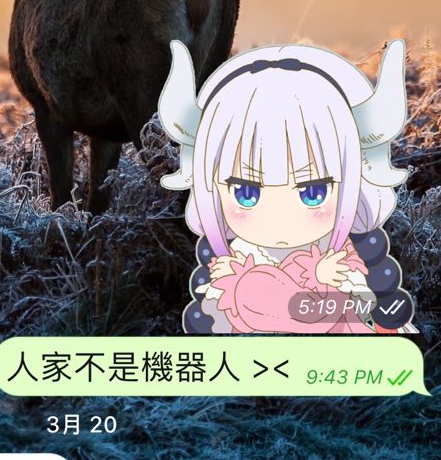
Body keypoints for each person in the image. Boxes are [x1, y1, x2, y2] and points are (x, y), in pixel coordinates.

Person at [157, 39, 415, 335]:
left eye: (313, 192)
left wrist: (316, 279)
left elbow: (340, 312)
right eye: (246, 193)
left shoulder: (341, 259)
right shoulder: (235, 255)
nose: (279, 218)